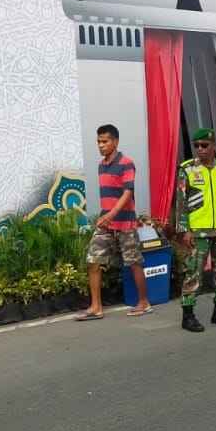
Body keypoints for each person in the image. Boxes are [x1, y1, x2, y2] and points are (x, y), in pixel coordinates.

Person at [76, 124, 151, 321]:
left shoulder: (127, 163)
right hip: (106, 225)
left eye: (105, 141)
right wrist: (106, 217)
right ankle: (96, 307)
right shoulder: (101, 165)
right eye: (98, 142)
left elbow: (128, 193)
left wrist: (111, 215)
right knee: (93, 261)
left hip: (125, 223)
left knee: (134, 263)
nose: (101, 145)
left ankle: (144, 302)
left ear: (115, 142)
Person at [173, 128, 216, 332]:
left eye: (204, 145)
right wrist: (184, 230)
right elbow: (181, 202)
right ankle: (188, 315)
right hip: (197, 230)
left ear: (213, 146)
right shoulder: (187, 169)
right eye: (196, 146)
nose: (200, 150)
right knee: (193, 272)